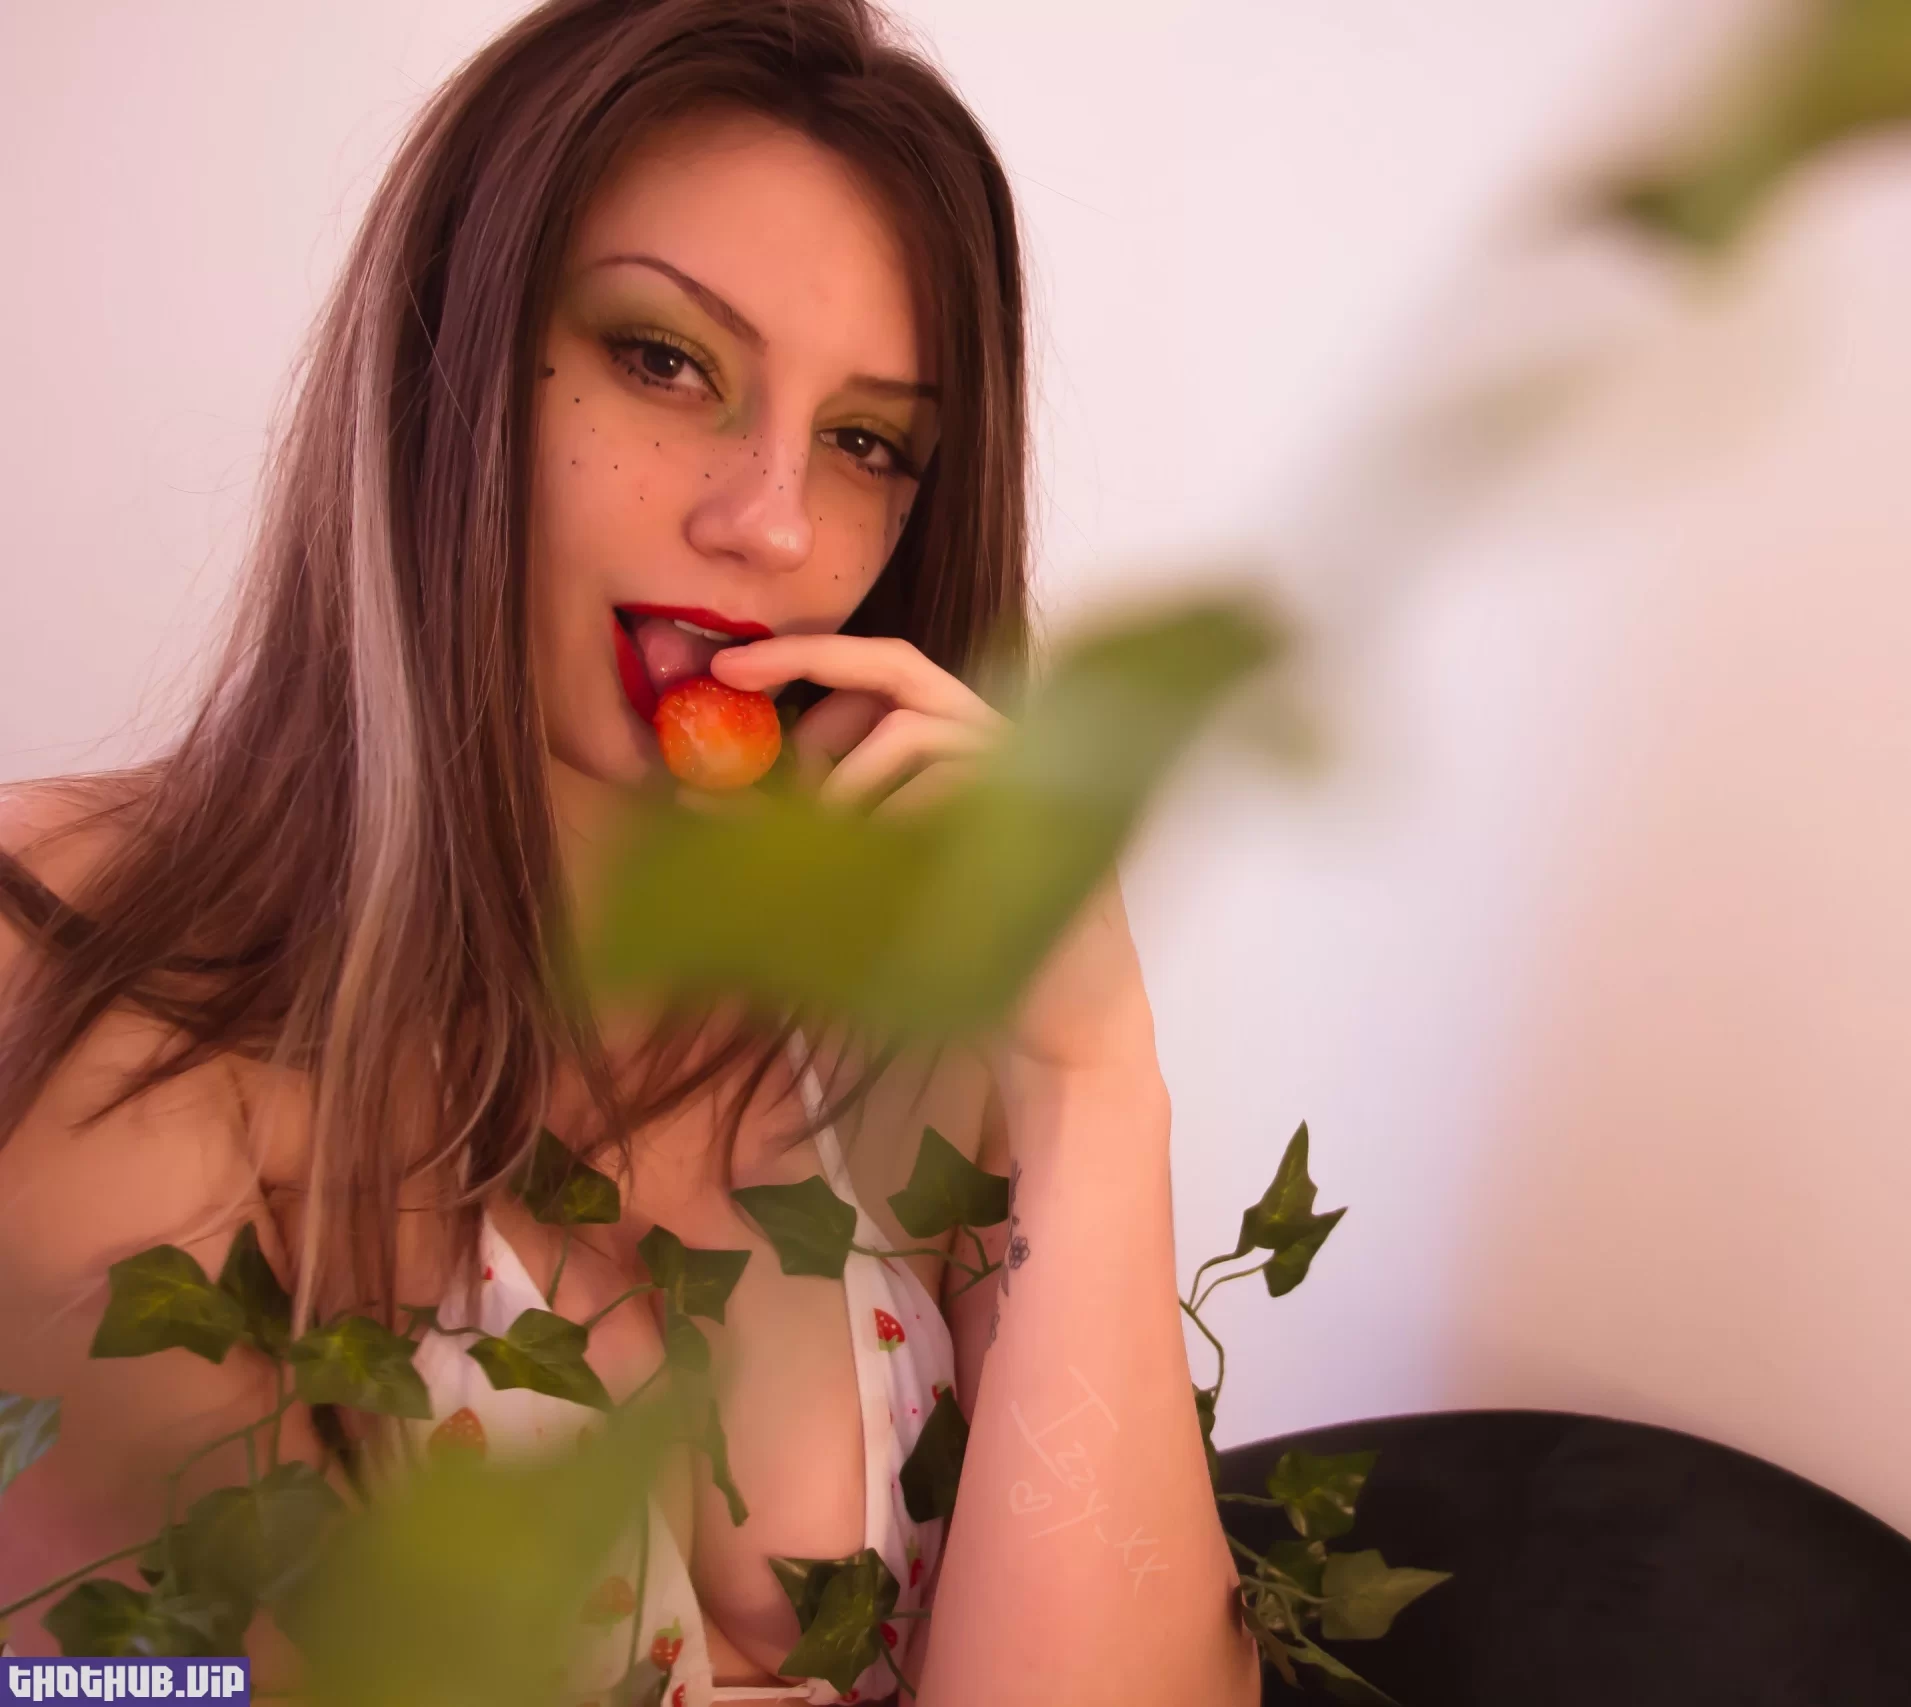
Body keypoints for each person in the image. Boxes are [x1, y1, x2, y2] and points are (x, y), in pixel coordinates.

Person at [0, 1, 1260, 1701]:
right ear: (445, 364)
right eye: (667, 360)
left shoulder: (909, 1008)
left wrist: (1098, 1081)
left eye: (867, 441)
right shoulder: (74, 958)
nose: (774, 522)